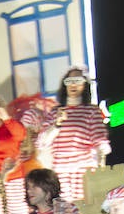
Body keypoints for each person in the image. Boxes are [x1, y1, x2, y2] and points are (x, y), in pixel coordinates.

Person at [40, 67, 110, 202]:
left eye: (78, 81)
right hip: (60, 169)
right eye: (69, 81)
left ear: (84, 85)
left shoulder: (91, 111)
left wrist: (102, 165)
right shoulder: (55, 112)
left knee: (84, 209)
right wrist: (57, 124)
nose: (73, 85)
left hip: (83, 168)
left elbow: (100, 141)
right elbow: (42, 142)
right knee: (64, 210)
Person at [20, 168, 88, 214]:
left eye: (34, 187)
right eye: (28, 187)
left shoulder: (67, 209)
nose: (29, 191)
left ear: (48, 188)